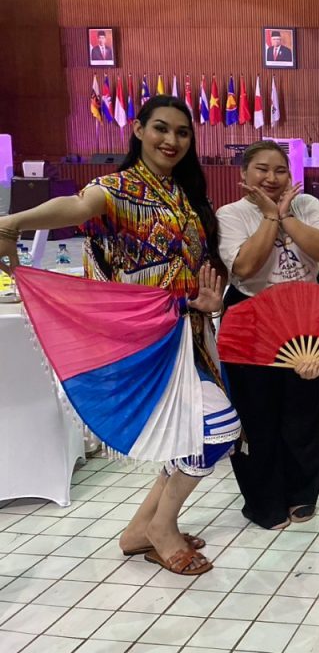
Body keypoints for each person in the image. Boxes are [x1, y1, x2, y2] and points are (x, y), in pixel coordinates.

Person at [0, 94, 238, 576]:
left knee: (192, 434)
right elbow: (76, 206)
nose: (171, 140)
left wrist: (206, 301)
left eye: (182, 132)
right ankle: (162, 529)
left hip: (188, 333)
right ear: (138, 129)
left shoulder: (185, 195)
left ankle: (139, 530)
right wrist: (13, 222)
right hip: (142, 340)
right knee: (218, 429)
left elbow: (195, 265)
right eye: (161, 128)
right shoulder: (115, 188)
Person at [217, 141, 319, 530]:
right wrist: (270, 216)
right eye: (262, 169)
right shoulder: (230, 214)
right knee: (257, 414)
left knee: (301, 411)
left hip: (301, 316)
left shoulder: (308, 206)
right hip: (251, 316)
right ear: (243, 175)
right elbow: (245, 267)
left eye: (280, 170)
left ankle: (303, 492)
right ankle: (264, 502)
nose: (271, 178)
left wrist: (286, 216)